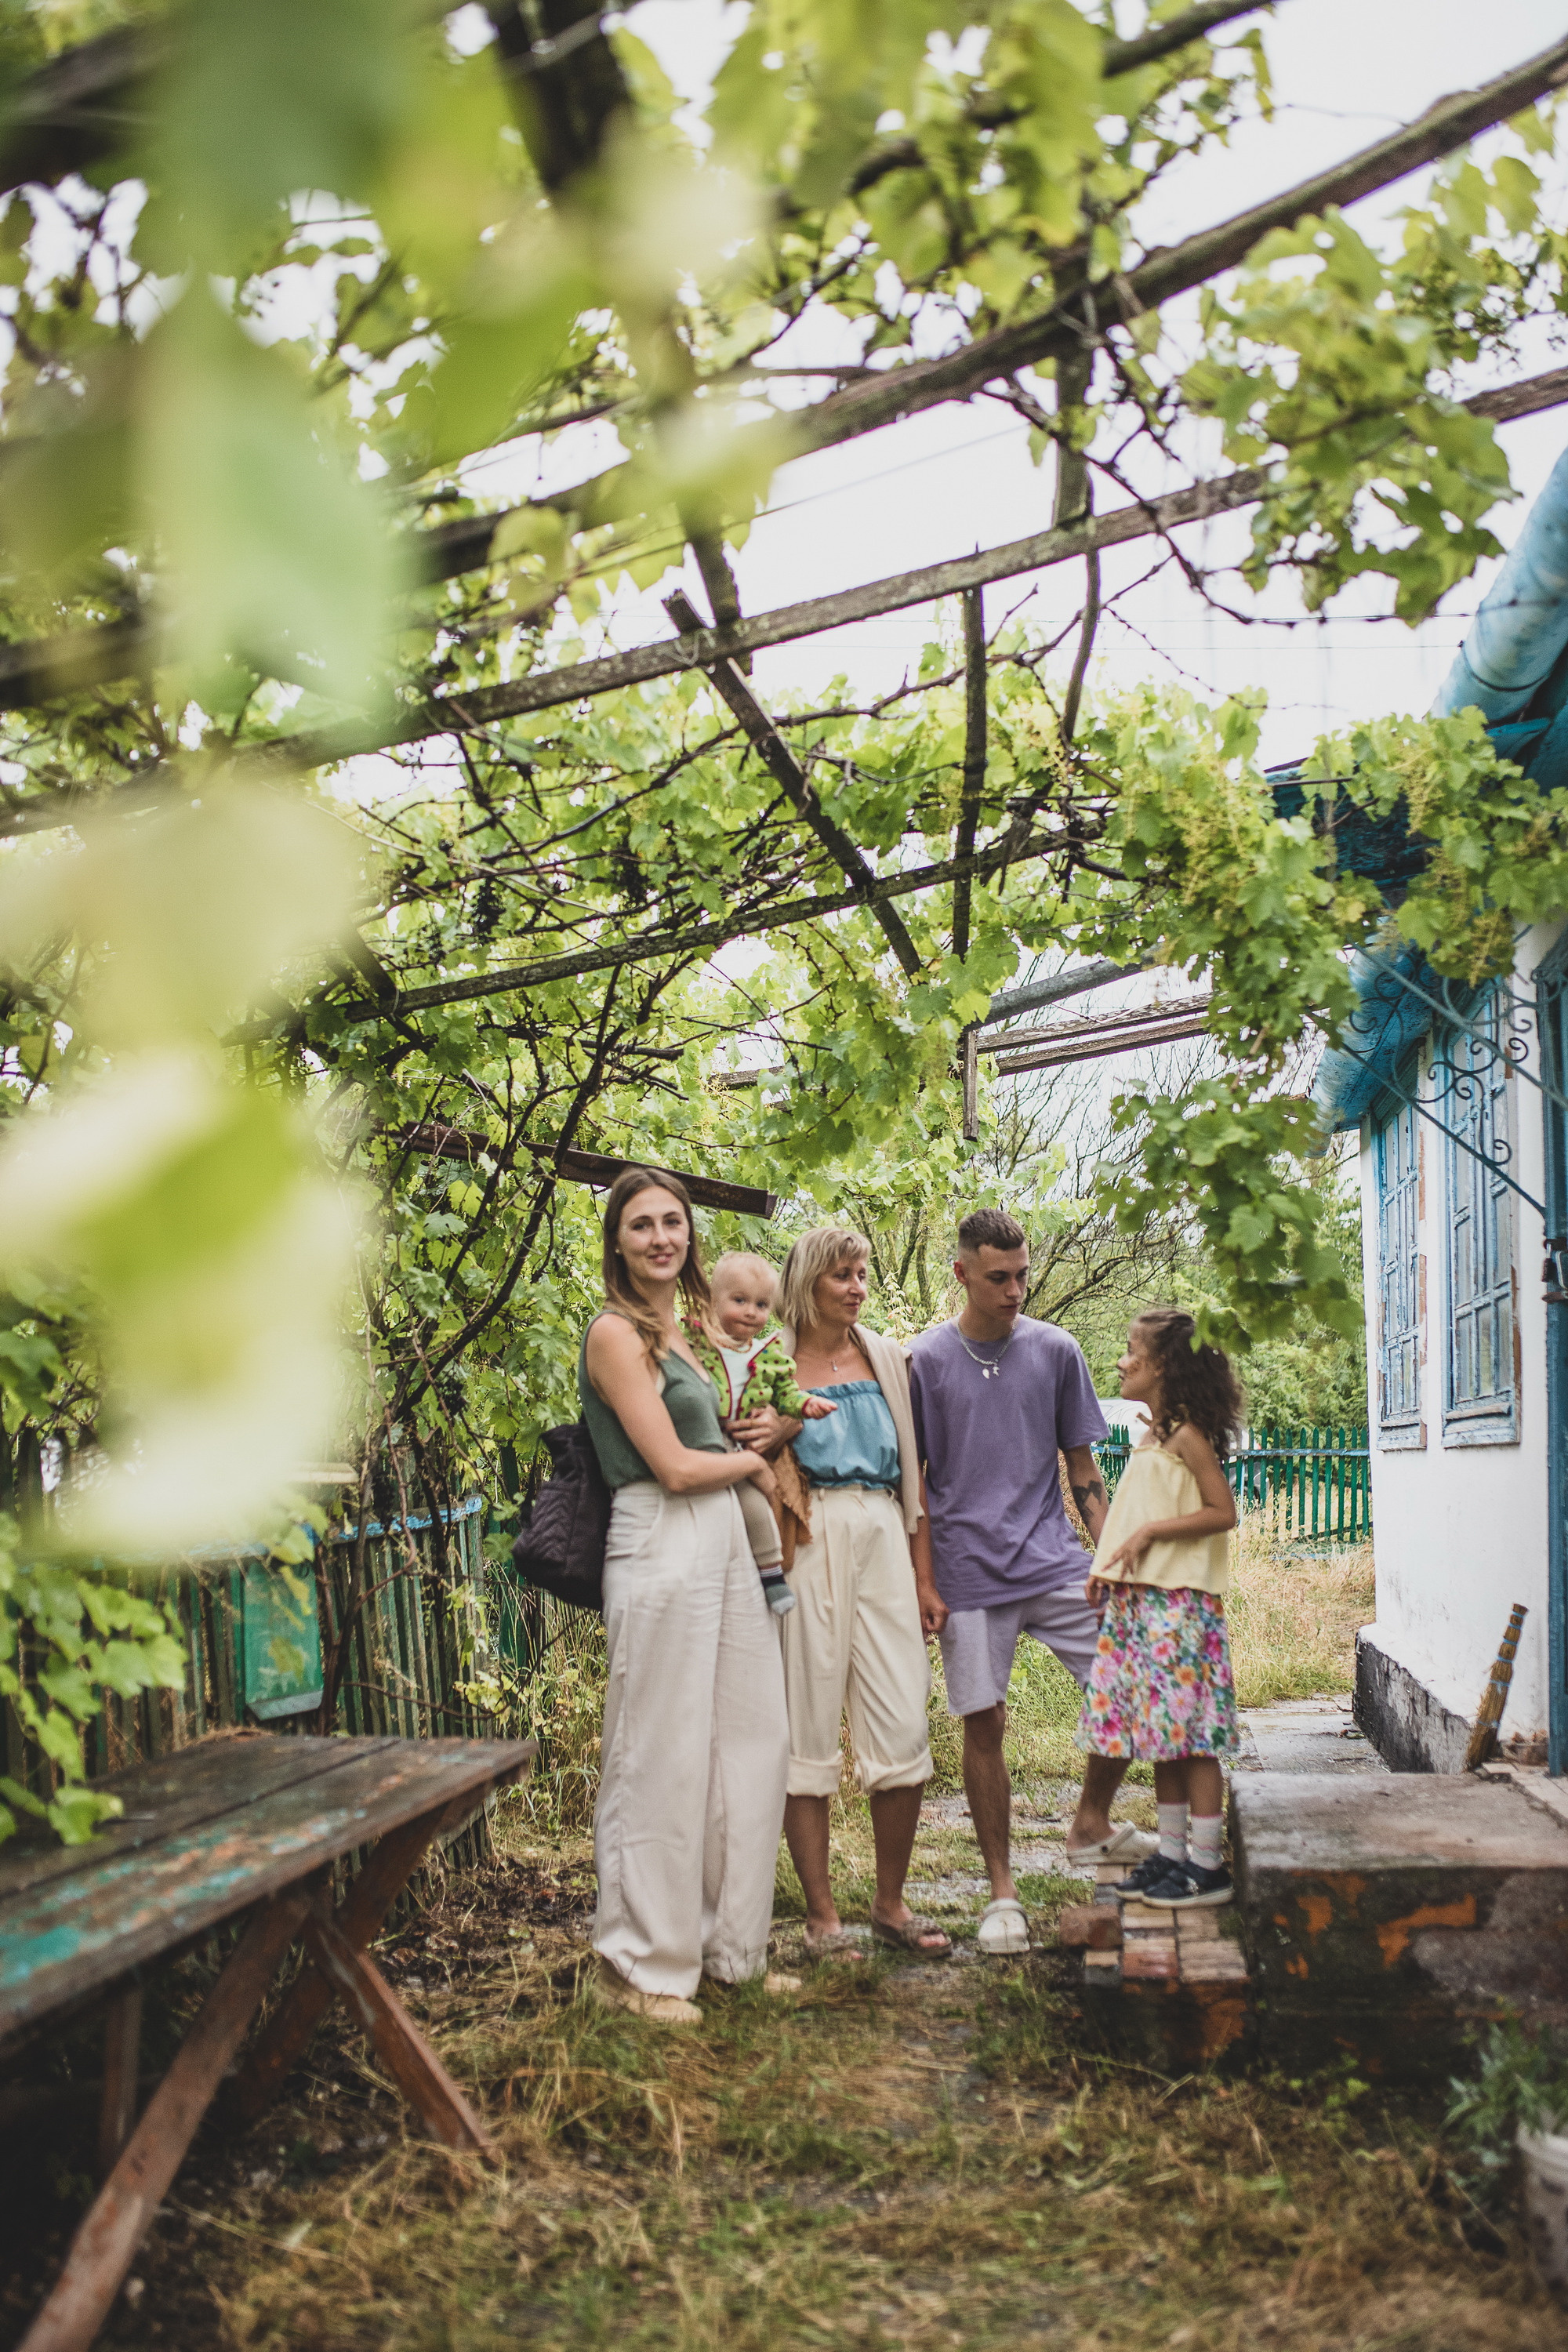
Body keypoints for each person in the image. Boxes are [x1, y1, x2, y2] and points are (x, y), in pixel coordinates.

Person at [907, 1207, 1156, 1960]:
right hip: (967, 1572)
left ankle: (1090, 1822)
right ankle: (1001, 1893)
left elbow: (1084, 1471)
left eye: (1022, 1275)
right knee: (984, 1725)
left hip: (1053, 1560)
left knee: (1132, 1678)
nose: (1015, 1290)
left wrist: (1110, 1558)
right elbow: (914, 1487)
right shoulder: (923, 1361)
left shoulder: (1056, 1351)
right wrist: (922, 1580)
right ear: (962, 1274)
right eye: (998, 1278)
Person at [579, 1167, 795, 2023]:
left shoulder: (690, 1338)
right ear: (618, 1243)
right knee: (659, 1753)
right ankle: (636, 1967)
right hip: (659, 1535)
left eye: (673, 1222)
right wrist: (757, 1462)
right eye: (641, 1226)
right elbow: (669, 1465)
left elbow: (734, 1429)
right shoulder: (614, 1335)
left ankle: (729, 1949)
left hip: (721, 1543)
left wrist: (767, 1434)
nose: (661, 1237)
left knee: (748, 1739)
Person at [759, 1223, 951, 1960]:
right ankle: (821, 1916)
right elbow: (746, 1450)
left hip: (882, 1532)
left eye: (863, 1274)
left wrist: (924, 1576)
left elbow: (916, 1480)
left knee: (902, 1718)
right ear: (809, 1281)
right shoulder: (769, 1360)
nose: (858, 1287)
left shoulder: (886, 1358)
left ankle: (891, 1904)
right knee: (804, 1723)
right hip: (805, 1536)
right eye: (843, 1274)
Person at [1081, 1307, 1243, 1911]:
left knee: (1192, 1737)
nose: (1122, 1360)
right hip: (1145, 1604)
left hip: (1180, 1607)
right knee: (1164, 1736)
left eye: (1131, 1350)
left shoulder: (1186, 1435)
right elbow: (1129, 1515)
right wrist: (1106, 1572)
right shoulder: (1151, 1434)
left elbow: (1220, 1511)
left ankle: (1208, 1866)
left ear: (1164, 1366)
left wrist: (1151, 1535)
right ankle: (1173, 1856)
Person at [687, 1250, 838, 1617]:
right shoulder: (696, 1343)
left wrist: (805, 1405)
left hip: (738, 1447)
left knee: (756, 1505)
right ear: (712, 1300)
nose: (752, 1312)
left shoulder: (768, 1355)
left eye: (761, 1304)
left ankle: (771, 1573)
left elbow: (784, 1392)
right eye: (739, 1301)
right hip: (703, 1439)